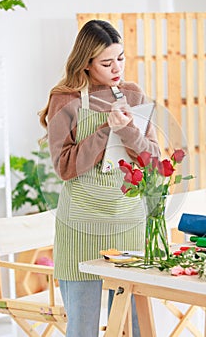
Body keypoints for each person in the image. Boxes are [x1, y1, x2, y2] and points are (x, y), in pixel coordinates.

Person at [39, 19, 160, 337]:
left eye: (120, 58)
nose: (117, 67)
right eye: (107, 62)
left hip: (128, 223)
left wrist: (127, 129)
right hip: (81, 226)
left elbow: (153, 159)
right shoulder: (64, 100)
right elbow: (65, 167)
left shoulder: (132, 95)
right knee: (82, 327)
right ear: (87, 64)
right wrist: (106, 131)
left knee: (135, 326)